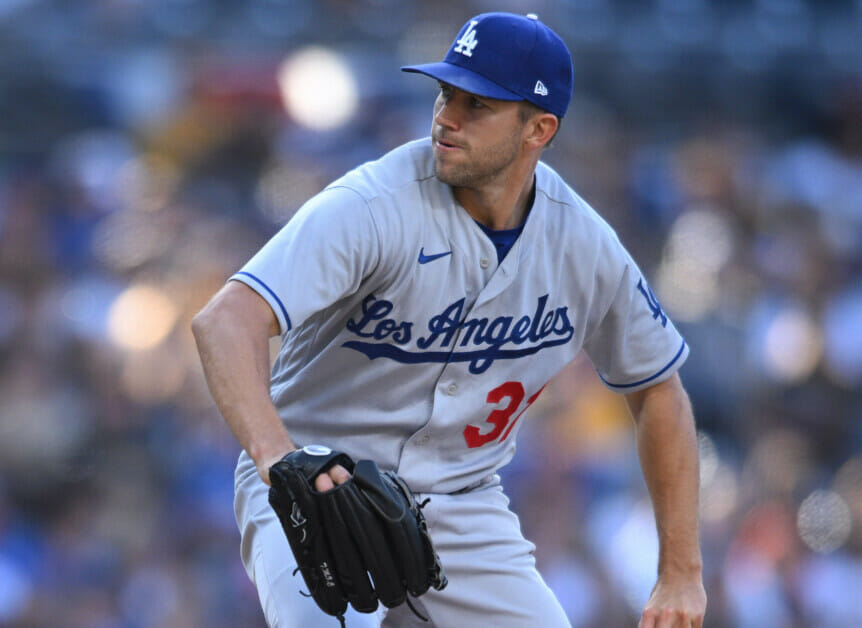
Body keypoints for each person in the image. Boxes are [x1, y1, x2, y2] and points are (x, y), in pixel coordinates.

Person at [192, 11, 706, 628]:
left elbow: (659, 390)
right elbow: (225, 320)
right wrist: (278, 459)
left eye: (477, 104)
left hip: (463, 503)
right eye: (446, 93)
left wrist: (681, 571)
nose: (446, 117)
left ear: (539, 129)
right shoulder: (371, 205)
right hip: (317, 478)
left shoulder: (585, 247)